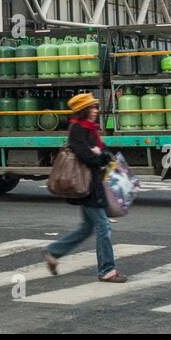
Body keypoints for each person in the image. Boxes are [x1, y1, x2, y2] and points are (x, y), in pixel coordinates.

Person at [41, 93, 126, 283]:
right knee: (103, 226)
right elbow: (84, 155)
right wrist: (100, 157)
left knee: (88, 227)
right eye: (92, 108)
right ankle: (107, 270)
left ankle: (53, 251)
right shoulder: (77, 129)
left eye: (95, 107)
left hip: (94, 183)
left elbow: (98, 151)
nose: (96, 111)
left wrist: (102, 154)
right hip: (86, 185)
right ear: (83, 111)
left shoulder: (90, 129)